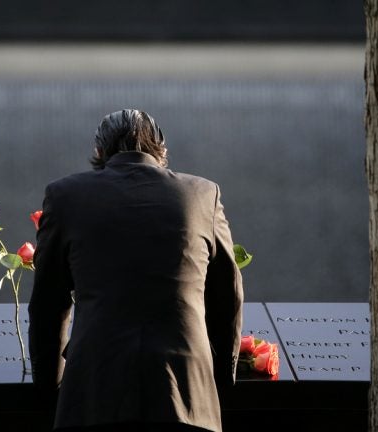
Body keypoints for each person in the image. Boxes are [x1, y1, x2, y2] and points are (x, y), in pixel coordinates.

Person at [28, 109, 243, 432]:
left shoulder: (65, 196)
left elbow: (48, 305)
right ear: (162, 150)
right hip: (186, 395)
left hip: (94, 393)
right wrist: (220, 383)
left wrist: (50, 389)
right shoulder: (202, 195)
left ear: (99, 151)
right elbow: (227, 298)